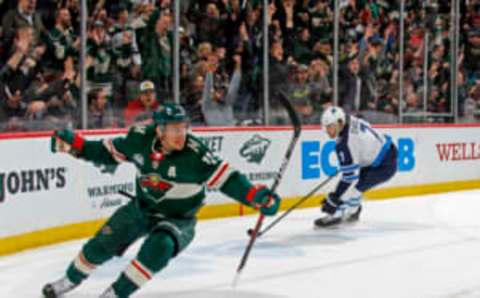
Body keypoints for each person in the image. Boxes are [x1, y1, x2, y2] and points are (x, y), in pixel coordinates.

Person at [42, 103, 280, 298]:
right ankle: (70, 280)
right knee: (100, 245)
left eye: (183, 127)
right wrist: (77, 145)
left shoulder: (196, 154)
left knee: (160, 247)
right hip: (142, 209)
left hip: (179, 219)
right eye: (174, 129)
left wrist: (256, 197)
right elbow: (106, 152)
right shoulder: (139, 140)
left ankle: (115, 294)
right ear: (159, 130)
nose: (181, 134)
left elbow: (229, 180)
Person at [314, 106, 397, 228]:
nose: (327, 131)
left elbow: (350, 178)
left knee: (354, 188)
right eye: (325, 127)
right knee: (355, 186)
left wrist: (334, 199)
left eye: (330, 127)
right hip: (384, 153)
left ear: (340, 123)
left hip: (384, 164)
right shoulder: (350, 120)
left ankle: (338, 214)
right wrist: (351, 162)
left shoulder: (345, 143)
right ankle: (353, 211)